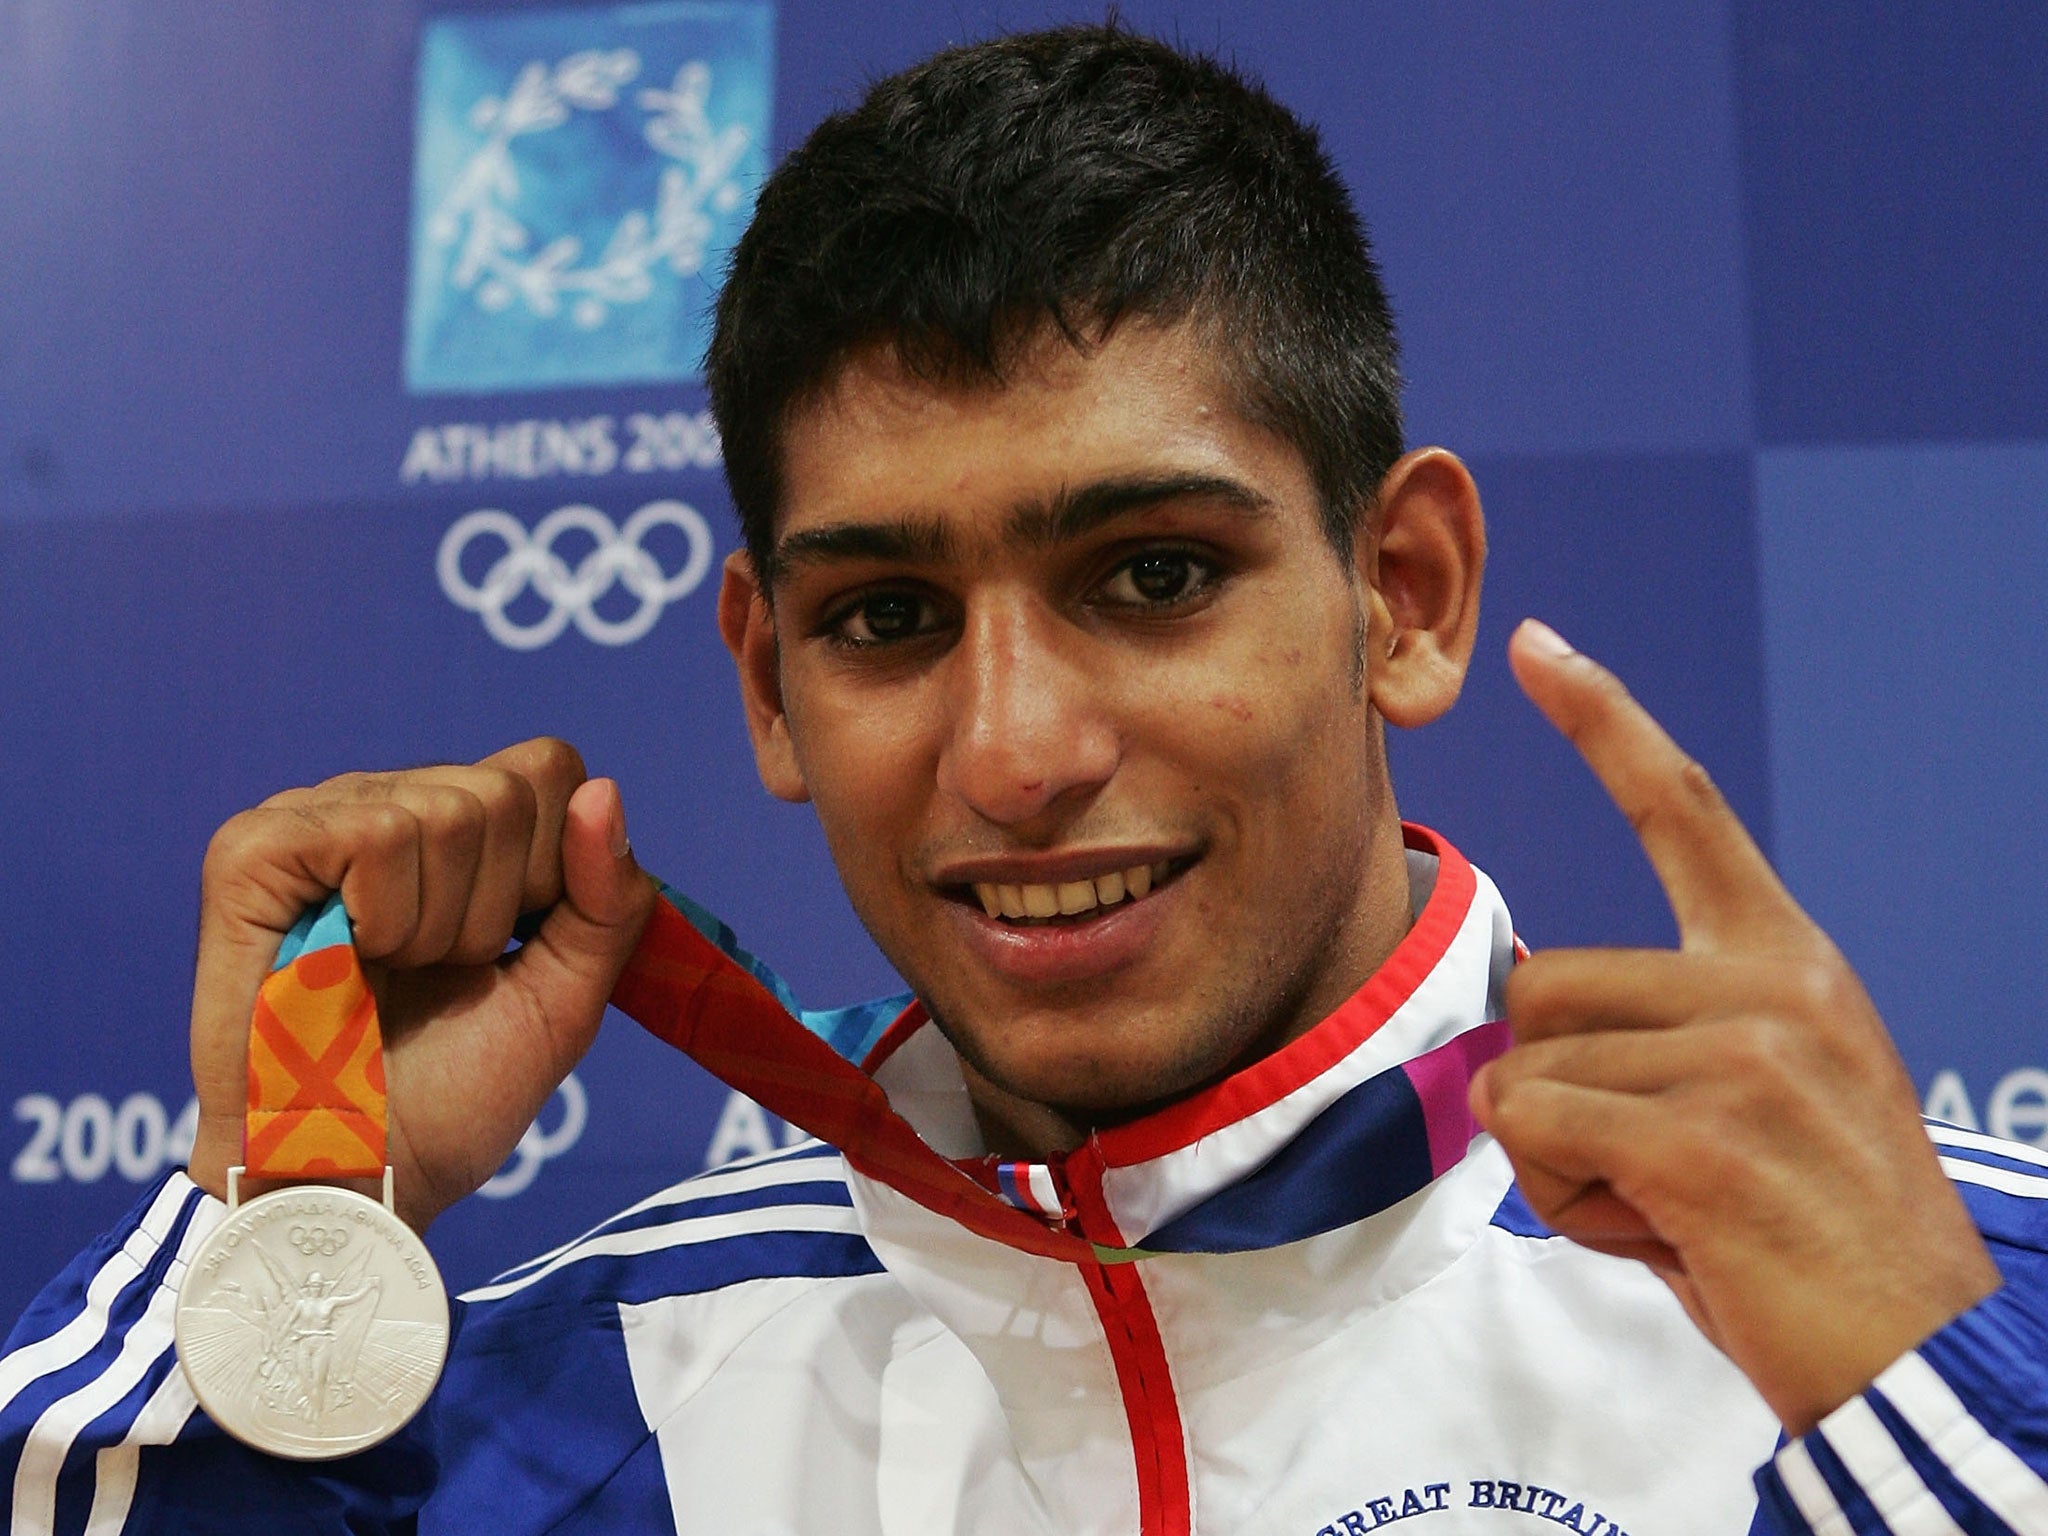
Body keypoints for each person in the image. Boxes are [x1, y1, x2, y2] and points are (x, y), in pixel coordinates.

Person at [5, 23, 2045, 1536]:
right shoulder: (578, 1407)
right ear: (771, 687)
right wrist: (278, 1212)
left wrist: (1934, 1408)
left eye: (1151, 576)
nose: (1014, 753)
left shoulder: (1940, 1298)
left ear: (1399, 596)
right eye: (886, 618)